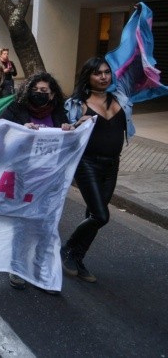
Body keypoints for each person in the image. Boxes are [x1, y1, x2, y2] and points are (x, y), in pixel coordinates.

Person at [61, 57, 133, 284]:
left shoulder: (120, 97)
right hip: (87, 164)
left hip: (112, 164)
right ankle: (68, 249)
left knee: (92, 216)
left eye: (106, 72)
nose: (103, 77)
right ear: (88, 76)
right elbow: (67, 132)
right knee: (101, 215)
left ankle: (77, 258)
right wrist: (72, 126)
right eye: (97, 73)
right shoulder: (76, 103)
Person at [0, 72, 71, 291]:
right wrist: (20, 131)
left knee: (47, 225)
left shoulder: (58, 113)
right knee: (24, 223)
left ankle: (43, 270)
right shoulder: (16, 109)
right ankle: (17, 266)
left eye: (44, 92)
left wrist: (70, 129)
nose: (40, 95)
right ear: (28, 91)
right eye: (36, 91)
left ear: (52, 95)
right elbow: (0, 130)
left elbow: (68, 141)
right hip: (23, 177)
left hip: (50, 179)